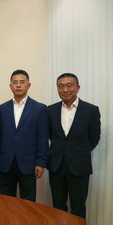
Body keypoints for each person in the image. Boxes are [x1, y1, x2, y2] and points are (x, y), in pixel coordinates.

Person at [47, 73, 101, 218]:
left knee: (78, 208)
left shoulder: (91, 110)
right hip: (56, 166)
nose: (65, 89)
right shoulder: (50, 111)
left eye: (69, 85)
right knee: (57, 208)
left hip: (79, 166)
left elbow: (94, 138)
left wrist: (78, 153)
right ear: (57, 89)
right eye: (61, 86)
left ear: (77, 88)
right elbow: (49, 136)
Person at [0, 70, 49, 202]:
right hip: (6, 163)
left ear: (28, 85)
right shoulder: (1, 109)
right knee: (6, 202)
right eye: (15, 82)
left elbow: (43, 138)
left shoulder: (40, 109)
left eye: (22, 82)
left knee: (28, 203)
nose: (18, 85)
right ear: (10, 86)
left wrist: (40, 163)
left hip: (29, 163)